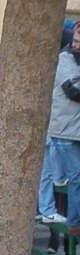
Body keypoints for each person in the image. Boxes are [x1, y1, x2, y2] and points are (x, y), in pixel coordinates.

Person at [46, 21, 80, 235]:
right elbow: (74, 90)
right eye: (75, 40)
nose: (75, 44)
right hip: (63, 132)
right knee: (76, 177)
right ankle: (74, 224)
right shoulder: (65, 59)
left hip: (75, 130)